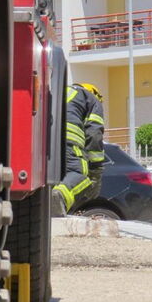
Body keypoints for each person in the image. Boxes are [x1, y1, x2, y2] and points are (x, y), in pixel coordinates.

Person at [52, 83, 107, 216]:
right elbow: (94, 133)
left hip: (44, 141)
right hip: (69, 139)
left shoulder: (56, 90)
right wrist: (95, 170)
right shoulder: (91, 99)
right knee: (80, 174)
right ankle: (57, 198)